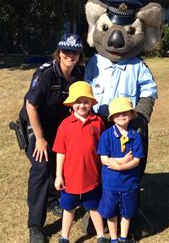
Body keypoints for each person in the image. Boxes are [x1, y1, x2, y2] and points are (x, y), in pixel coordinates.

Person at [19, 33, 85, 243]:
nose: (70, 55)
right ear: (59, 52)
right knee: (40, 168)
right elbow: (31, 106)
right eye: (66, 51)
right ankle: (36, 225)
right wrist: (39, 138)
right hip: (35, 124)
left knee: (61, 164)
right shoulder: (46, 73)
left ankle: (53, 200)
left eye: (74, 52)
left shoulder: (80, 73)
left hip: (58, 128)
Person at [52, 81, 108, 243]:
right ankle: (64, 237)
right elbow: (60, 152)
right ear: (72, 104)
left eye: (85, 101)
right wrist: (58, 176)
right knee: (68, 209)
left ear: (91, 103)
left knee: (94, 207)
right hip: (70, 178)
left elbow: (103, 149)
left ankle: (101, 236)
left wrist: (103, 172)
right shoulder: (65, 125)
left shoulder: (98, 122)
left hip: (92, 176)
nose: (81, 105)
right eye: (78, 102)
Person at [97, 97, 145, 243]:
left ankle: (123, 237)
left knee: (127, 212)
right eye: (117, 114)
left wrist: (120, 167)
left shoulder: (135, 136)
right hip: (110, 183)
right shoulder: (106, 135)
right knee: (111, 212)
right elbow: (104, 159)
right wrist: (123, 161)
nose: (121, 116)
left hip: (129, 183)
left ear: (131, 114)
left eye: (125, 113)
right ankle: (113, 238)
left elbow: (136, 161)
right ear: (112, 118)